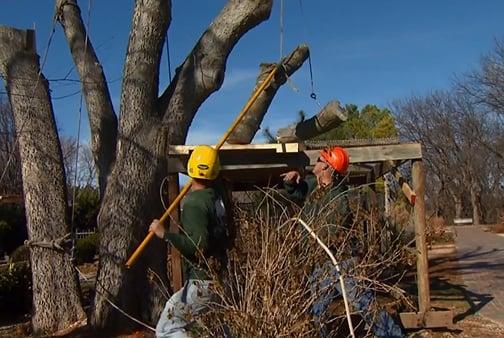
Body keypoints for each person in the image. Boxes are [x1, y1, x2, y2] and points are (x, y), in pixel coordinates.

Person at [282, 146, 404, 338]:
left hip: (340, 262)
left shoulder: (339, 197)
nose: (317, 161)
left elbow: (334, 231)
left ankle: (394, 336)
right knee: (317, 312)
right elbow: (297, 194)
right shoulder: (314, 186)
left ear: (327, 168)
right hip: (320, 264)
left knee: (364, 304)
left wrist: (314, 240)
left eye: (321, 160)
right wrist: (291, 182)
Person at [150, 145, 229, 338]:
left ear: (190, 169)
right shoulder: (217, 198)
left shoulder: (195, 203)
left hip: (201, 281)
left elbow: (198, 247)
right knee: (217, 330)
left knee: (168, 328)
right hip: (217, 277)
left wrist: (164, 234)